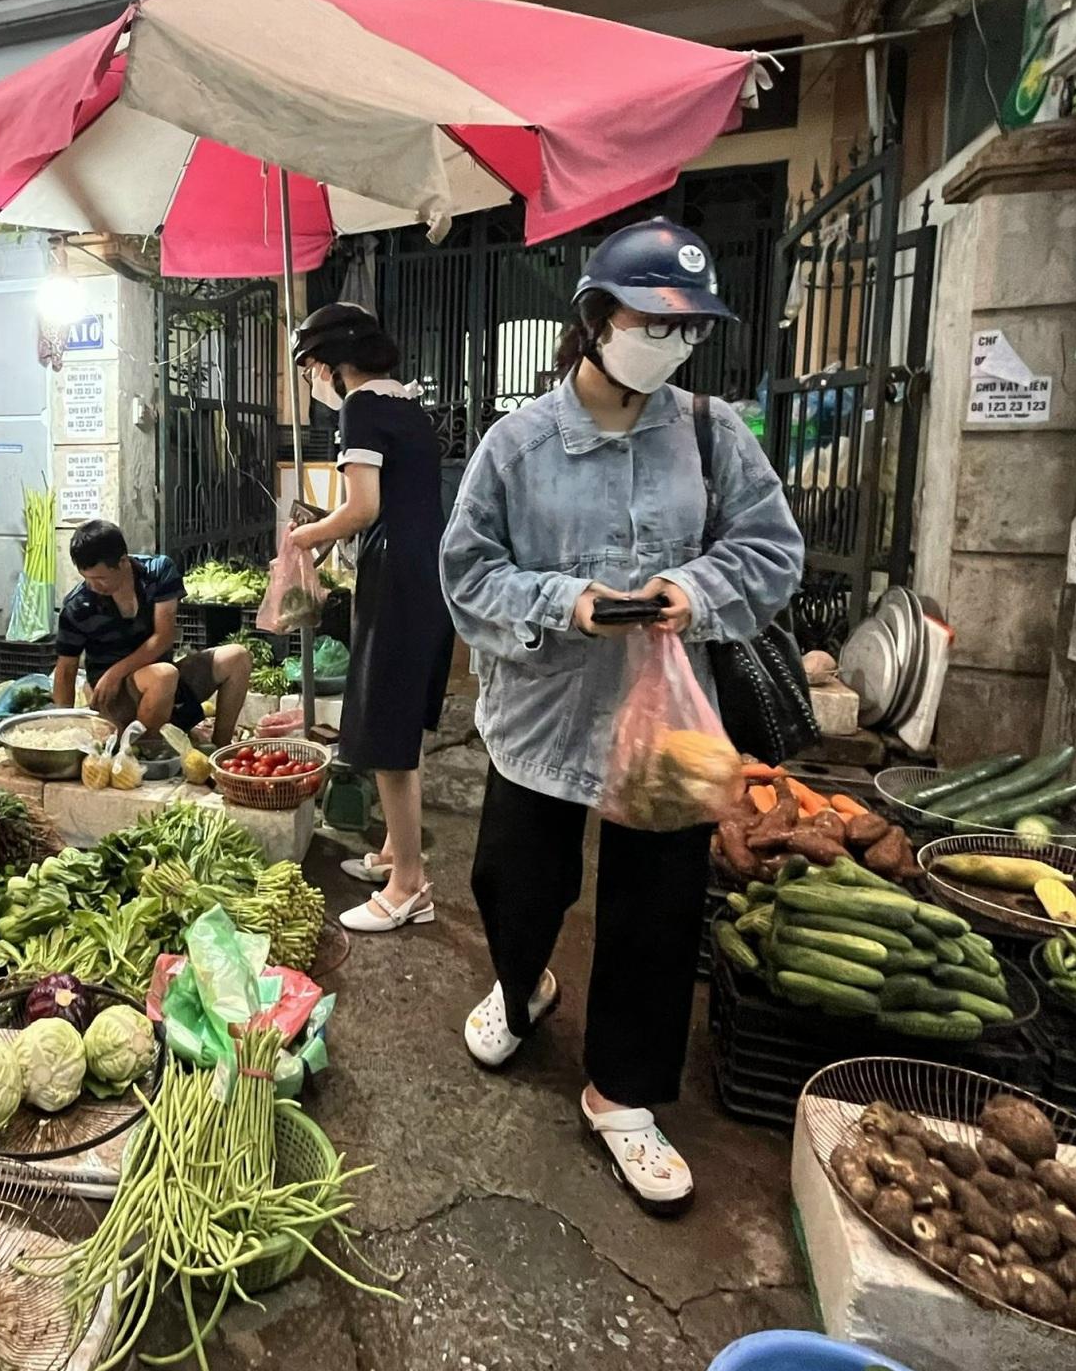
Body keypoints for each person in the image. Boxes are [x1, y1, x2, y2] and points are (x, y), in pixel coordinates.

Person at [439, 219, 804, 1213]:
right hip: (545, 712)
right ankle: (520, 990)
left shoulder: (707, 431)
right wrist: (566, 603)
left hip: (669, 720)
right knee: (516, 885)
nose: (671, 345)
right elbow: (466, 572)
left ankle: (623, 1096)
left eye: (689, 330)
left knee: (655, 909)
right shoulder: (514, 446)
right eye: (654, 323)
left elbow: (770, 551)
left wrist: (690, 588)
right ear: (595, 321)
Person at [286, 304, 453, 932]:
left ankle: (409, 885)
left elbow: (361, 507)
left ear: (331, 364)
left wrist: (306, 540)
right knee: (400, 721)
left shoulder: (361, 406)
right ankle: (392, 854)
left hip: (399, 574)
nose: (311, 384)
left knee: (386, 728)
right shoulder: (407, 406)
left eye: (308, 371)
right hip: (426, 571)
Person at [53, 520, 250, 745]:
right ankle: (144, 752)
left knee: (237, 657)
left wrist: (116, 672)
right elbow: (66, 671)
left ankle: (220, 747)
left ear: (123, 562)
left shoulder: (158, 572)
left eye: (100, 579)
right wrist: (63, 729)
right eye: (87, 578)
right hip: (116, 698)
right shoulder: (78, 606)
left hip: (162, 682)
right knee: (164, 675)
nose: (94, 586)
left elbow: (163, 638)